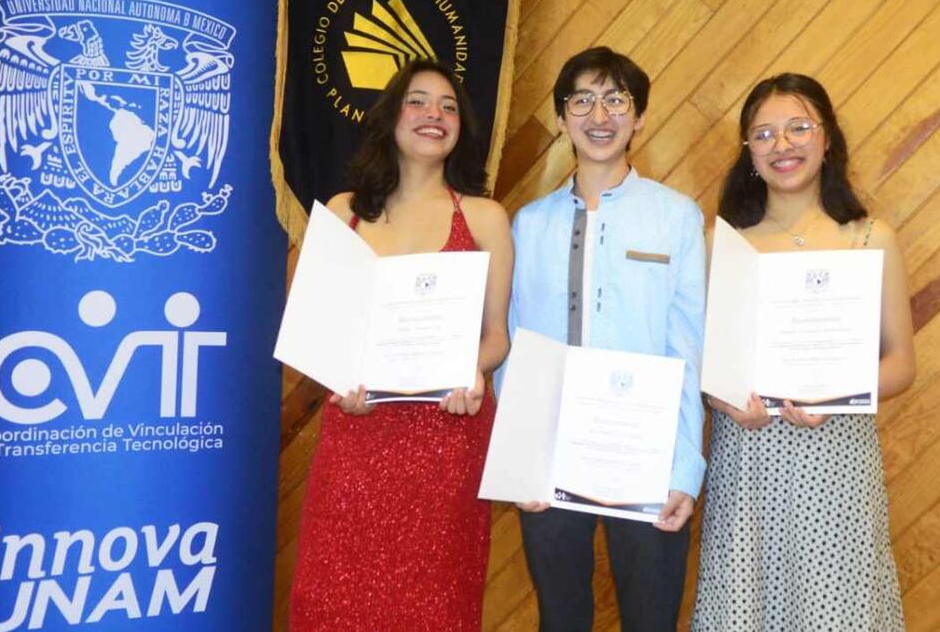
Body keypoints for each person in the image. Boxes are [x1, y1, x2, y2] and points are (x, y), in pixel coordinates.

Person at [288, 59, 513, 631]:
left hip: (446, 439)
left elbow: (496, 339)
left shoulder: (485, 218)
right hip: (358, 435)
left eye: (448, 106)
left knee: (433, 606)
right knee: (334, 601)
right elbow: (315, 329)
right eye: (418, 101)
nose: (434, 115)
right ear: (391, 116)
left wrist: (471, 367)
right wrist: (340, 377)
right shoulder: (344, 214)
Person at [691, 73, 916, 631]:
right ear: (747, 153)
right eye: (763, 134)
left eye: (797, 128)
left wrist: (833, 395)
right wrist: (725, 402)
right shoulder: (722, 243)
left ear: (828, 138)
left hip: (838, 458)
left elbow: (901, 364)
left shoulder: (869, 237)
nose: (781, 145)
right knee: (745, 606)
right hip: (748, 458)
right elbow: (704, 363)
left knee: (838, 608)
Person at [501, 46, 707, 631]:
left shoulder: (676, 217)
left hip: (647, 455)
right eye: (583, 99)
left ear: (639, 116)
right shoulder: (530, 223)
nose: (600, 114)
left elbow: (688, 348)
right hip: (549, 456)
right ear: (562, 116)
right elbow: (515, 348)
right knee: (560, 618)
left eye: (616, 99)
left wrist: (682, 471)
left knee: (650, 619)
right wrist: (522, 462)